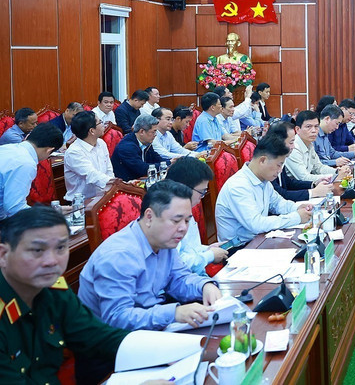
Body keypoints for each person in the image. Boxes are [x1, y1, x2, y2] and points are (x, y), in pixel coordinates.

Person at [0, 206, 129, 384]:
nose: (52, 261)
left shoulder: (54, 291)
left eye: (61, 247)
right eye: (37, 250)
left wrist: (164, 349)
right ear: (4, 254)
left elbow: (97, 337)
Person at [79, 180, 220, 332]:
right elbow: (118, 318)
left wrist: (205, 286)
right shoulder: (118, 255)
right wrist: (174, 313)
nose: (183, 228)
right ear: (149, 217)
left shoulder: (164, 240)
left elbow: (179, 278)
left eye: (187, 221)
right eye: (176, 221)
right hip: (112, 343)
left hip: (151, 325)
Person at [215, 134, 312, 243]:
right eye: (278, 165)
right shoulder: (238, 186)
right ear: (262, 160)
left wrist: (298, 208)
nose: (280, 171)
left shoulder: (263, 179)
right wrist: (296, 217)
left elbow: (278, 203)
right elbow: (256, 224)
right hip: (238, 249)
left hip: (258, 240)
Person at [164, 156, 228, 275]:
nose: (202, 197)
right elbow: (176, 266)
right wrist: (209, 255)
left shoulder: (183, 208)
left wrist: (207, 249)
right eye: (202, 192)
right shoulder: (165, 216)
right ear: (184, 187)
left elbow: (188, 248)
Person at [0, 124, 63, 220]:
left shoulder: (7, 148)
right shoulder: (25, 163)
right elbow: (14, 208)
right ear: (49, 150)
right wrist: (50, 214)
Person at [269, 121, 346, 200]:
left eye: (316, 126)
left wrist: (314, 184)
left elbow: (289, 183)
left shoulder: (281, 157)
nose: (314, 131)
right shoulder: (268, 162)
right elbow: (280, 194)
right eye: (291, 142)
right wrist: (314, 192)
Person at [64, 110, 115, 200]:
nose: (103, 125)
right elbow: (92, 175)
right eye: (100, 122)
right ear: (92, 131)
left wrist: (114, 188)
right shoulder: (74, 152)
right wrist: (116, 183)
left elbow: (108, 170)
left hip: (103, 197)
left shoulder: (101, 143)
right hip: (81, 203)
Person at [285, 110, 340, 195]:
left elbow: (318, 167)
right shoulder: (293, 147)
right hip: (297, 192)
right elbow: (304, 177)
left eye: (316, 126)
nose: (314, 131)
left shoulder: (309, 144)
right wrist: (333, 177)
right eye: (308, 127)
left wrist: (337, 172)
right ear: (298, 129)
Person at [111, 114, 165, 181]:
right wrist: (167, 164)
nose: (155, 135)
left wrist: (171, 163)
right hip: (126, 185)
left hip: (140, 180)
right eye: (153, 132)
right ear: (142, 131)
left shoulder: (146, 143)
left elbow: (157, 159)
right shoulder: (127, 147)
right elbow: (142, 169)